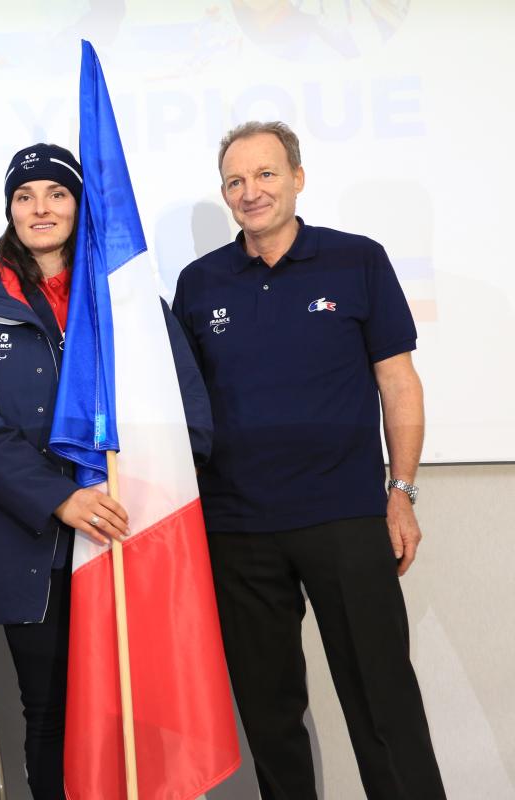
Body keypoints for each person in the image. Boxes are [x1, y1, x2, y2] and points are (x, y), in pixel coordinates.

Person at [170, 120, 445, 799]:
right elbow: (183, 405)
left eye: (265, 174)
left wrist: (401, 489)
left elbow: (398, 382)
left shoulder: (356, 260)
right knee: (270, 716)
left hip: (346, 517)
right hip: (236, 529)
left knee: (383, 701)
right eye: (235, 180)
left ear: (297, 177)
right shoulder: (199, 283)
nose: (250, 191)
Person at [0, 144, 212, 800]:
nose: (40, 208)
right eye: (25, 196)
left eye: (56, 194)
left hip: (131, 534)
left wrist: (147, 496)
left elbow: (186, 410)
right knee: (51, 714)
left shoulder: (129, 296)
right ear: (10, 209)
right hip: (32, 545)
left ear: (79, 204)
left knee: (139, 709)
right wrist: (61, 499)